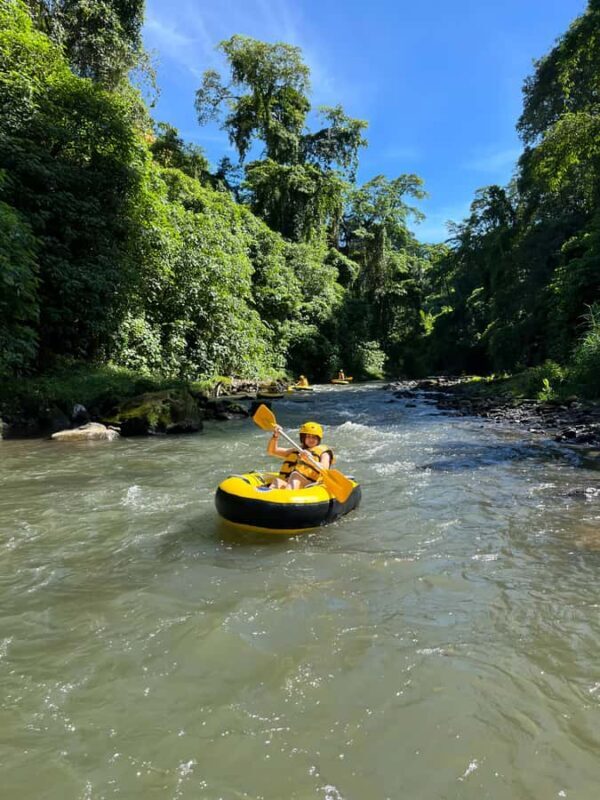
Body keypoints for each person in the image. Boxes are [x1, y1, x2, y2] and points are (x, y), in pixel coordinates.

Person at [266, 421, 334, 489]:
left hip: (311, 484)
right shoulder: (298, 450)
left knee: (295, 475)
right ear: (303, 438)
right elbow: (272, 451)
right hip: (291, 482)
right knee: (277, 481)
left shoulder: (324, 453)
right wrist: (275, 436)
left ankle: (288, 495)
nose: (311, 439)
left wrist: (309, 460)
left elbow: (324, 469)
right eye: (308, 437)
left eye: (314, 437)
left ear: (318, 439)